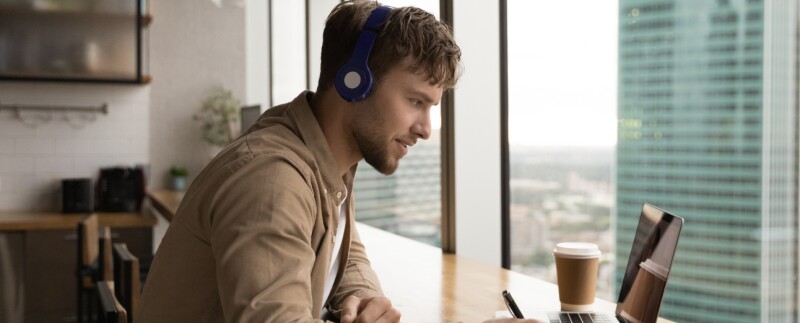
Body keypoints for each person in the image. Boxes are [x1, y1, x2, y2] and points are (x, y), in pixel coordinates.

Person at [136, 1, 461, 322]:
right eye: (415, 101)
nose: (426, 129)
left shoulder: (326, 161)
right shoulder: (272, 179)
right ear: (355, 81)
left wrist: (362, 295)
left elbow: (345, 252)